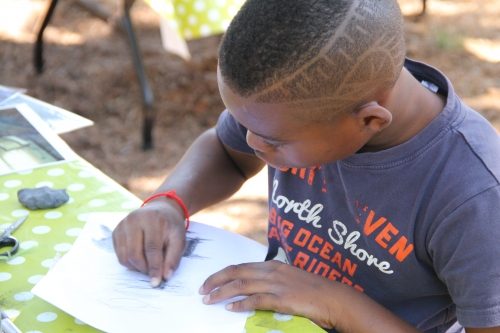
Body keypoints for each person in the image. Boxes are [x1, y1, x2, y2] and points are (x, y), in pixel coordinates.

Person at [112, 0, 500, 332]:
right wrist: (168, 202)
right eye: (244, 124)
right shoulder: (294, 105)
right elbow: (227, 152)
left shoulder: (473, 196)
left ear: (369, 120)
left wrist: (336, 304)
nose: (250, 142)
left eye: (273, 142)